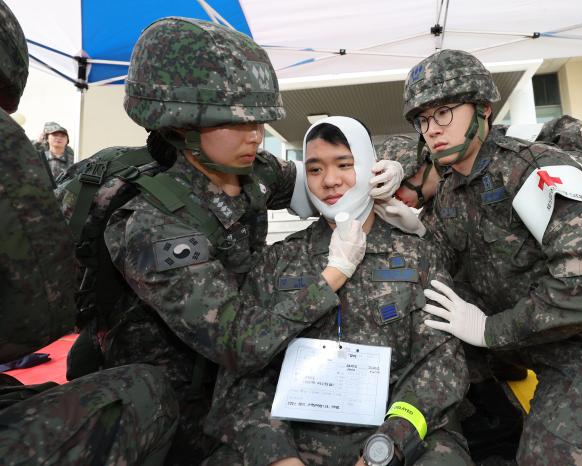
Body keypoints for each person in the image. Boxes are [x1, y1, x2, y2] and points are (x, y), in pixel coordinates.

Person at [64, 17, 403, 464]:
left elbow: (320, 174)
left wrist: (389, 166)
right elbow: (240, 341)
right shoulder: (153, 224)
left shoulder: (251, 171)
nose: (255, 135)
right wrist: (334, 272)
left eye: (259, 121)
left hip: (236, 388)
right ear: (180, 126)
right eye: (236, 122)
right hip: (168, 407)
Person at [402, 50, 582, 464]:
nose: (432, 129)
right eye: (423, 119)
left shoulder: (534, 168)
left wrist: (493, 330)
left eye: (445, 112)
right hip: (523, 346)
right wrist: (407, 228)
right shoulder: (450, 192)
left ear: (483, 109)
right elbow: (440, 274)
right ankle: (495, 427)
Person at [205, 117, 471, 466]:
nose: (330, 181)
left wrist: (387, 445)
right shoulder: (279, 260)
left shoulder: (417, 254)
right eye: (315, 170)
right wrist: (278, 457)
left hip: (395, 433)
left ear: (369, 169)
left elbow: (441, 365)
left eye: (345, 165)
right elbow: (242, 376)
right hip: (295, 438)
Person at [0, 2, 178, 464]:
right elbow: (36, 319)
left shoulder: (93, 166)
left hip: (94, 335)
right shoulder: (101, 171)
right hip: (117, 341)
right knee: (144, 392)